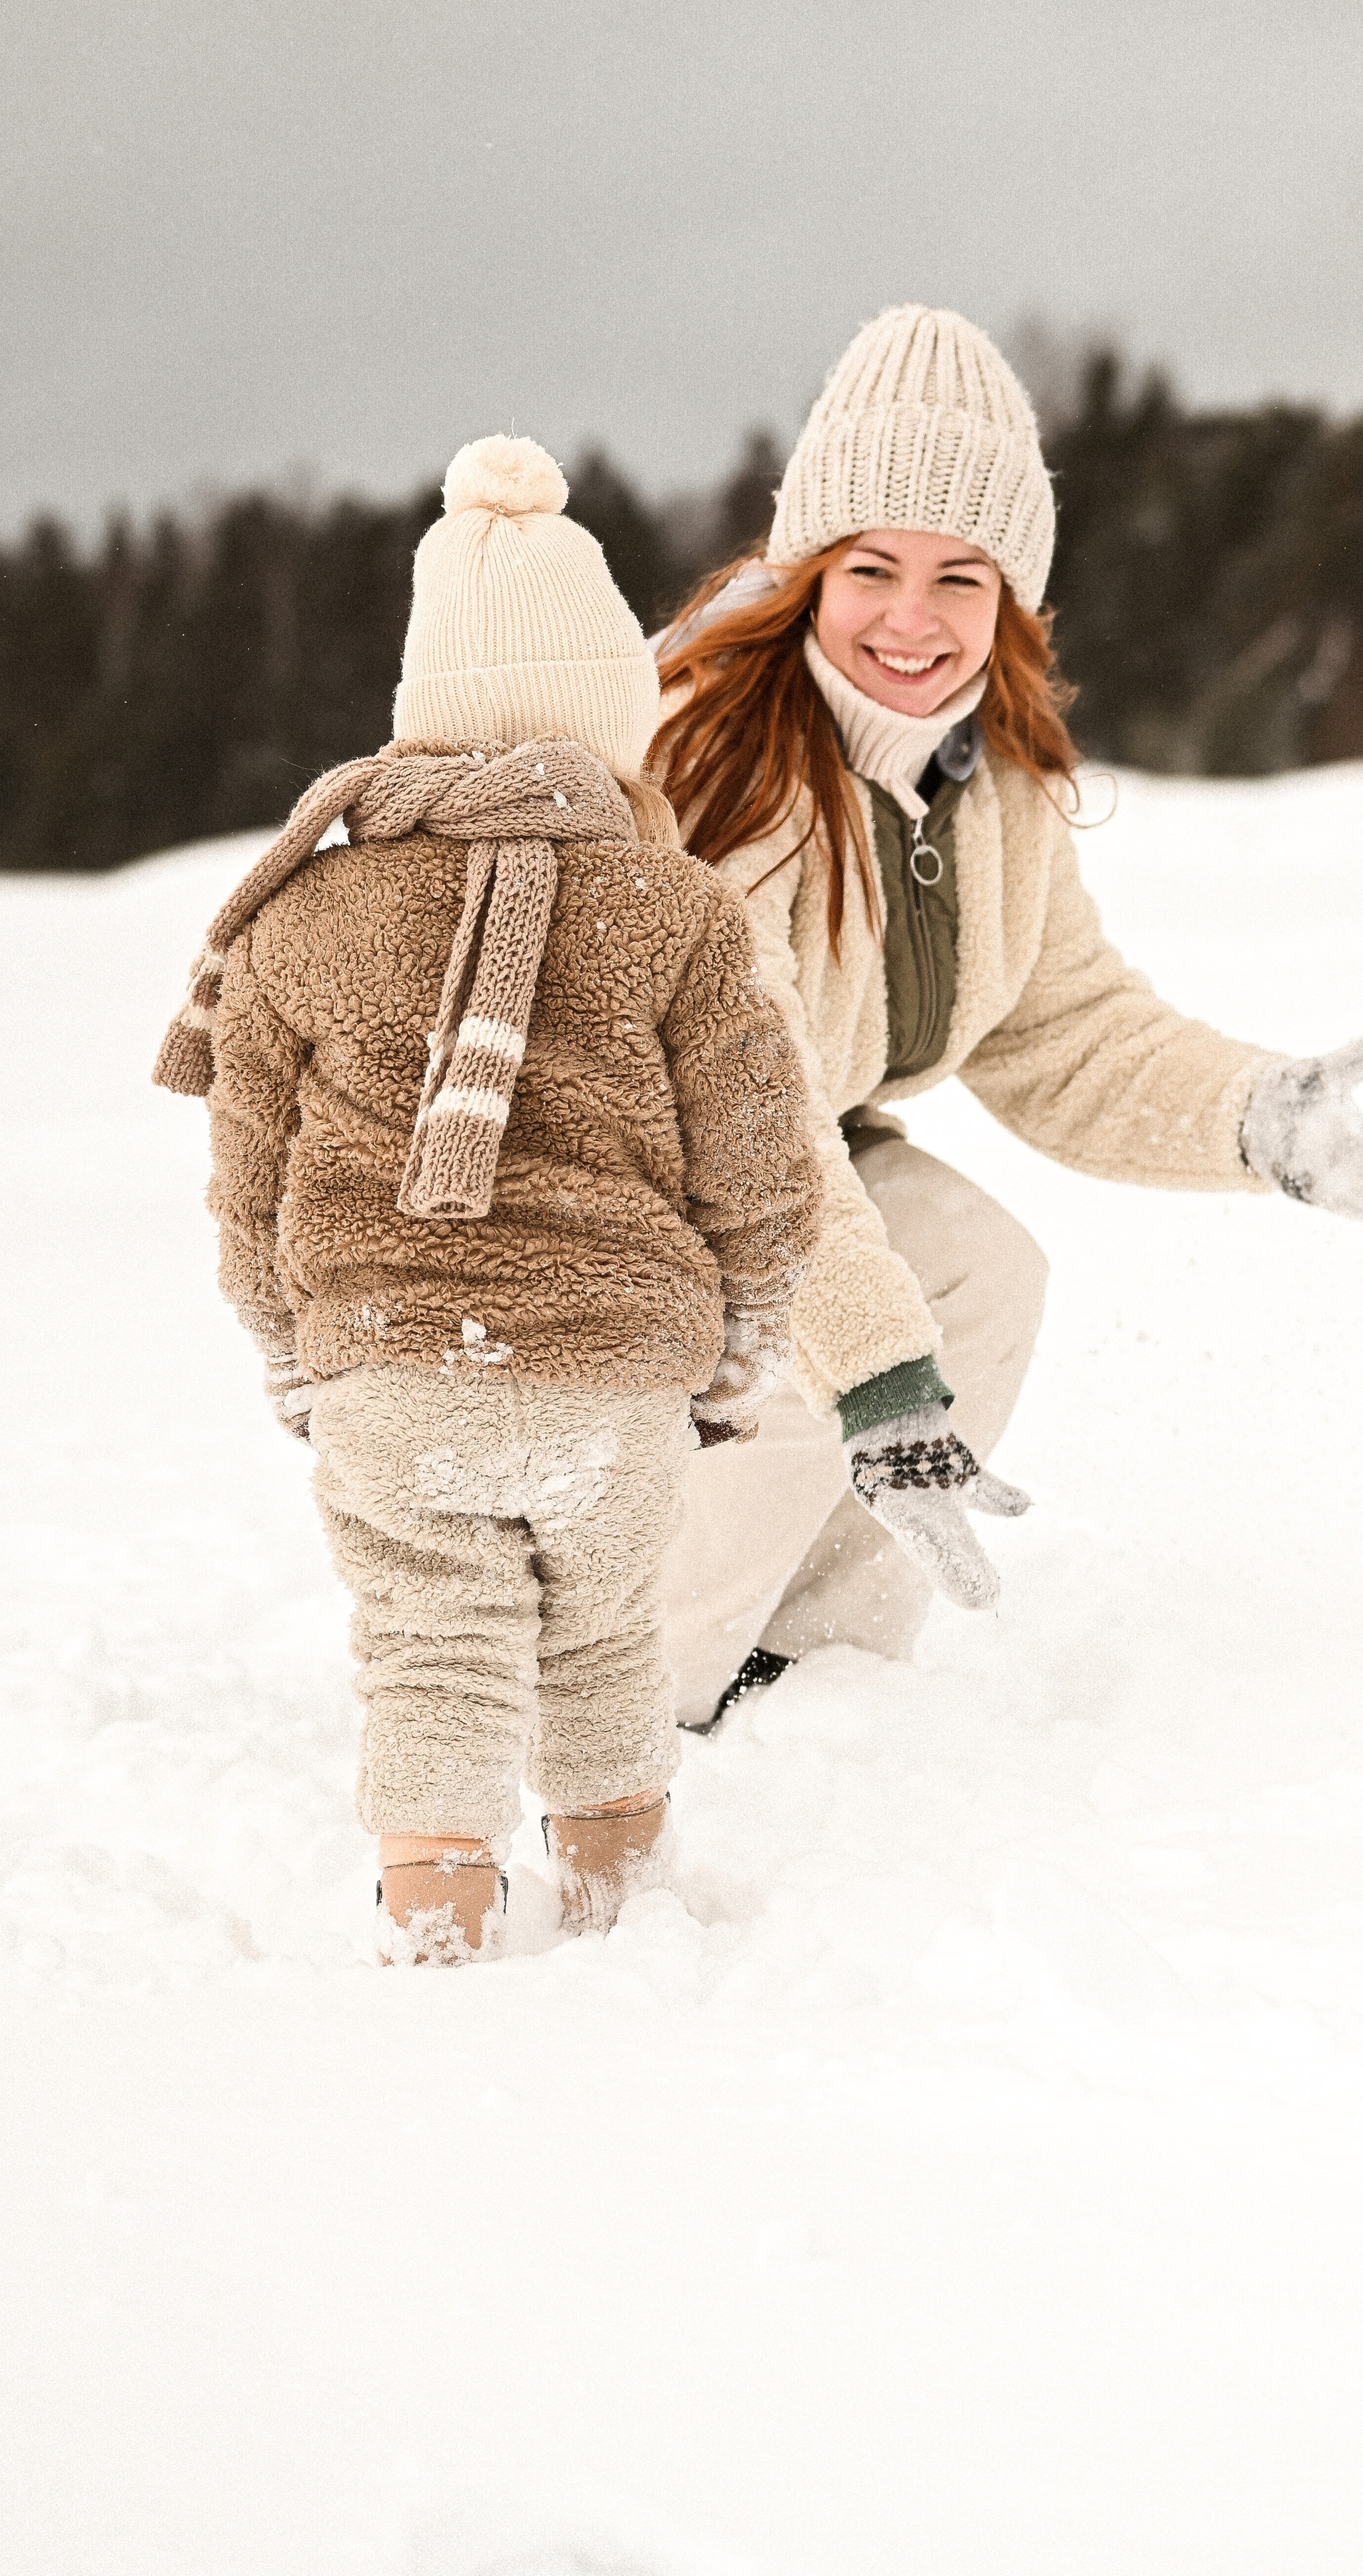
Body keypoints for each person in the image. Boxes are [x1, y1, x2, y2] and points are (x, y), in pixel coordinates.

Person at [651, 306, 1363, 1731]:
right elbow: (745, 1131)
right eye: (872, 566)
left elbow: (1062, 1032)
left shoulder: (988, 786)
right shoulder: (716, 765)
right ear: (804, 572)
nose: (914, 617)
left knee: (976, 1271)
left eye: (961, 575)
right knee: (797, 1348)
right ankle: (617, 1708)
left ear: (1011, 597)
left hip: (782, 1159)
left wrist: (1254, 1120)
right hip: (596, 1173)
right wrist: (876, 1368)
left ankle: (797, 1674)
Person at [154, 435, 819, 1960]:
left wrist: (285, 1347)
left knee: (430, 1646)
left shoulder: (303, 913)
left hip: (387, 1361)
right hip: (614, 1374)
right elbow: (758, 1162)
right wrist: (742, 1340)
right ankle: (614, 1917)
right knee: (600, 1642)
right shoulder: (675, 909)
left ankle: (437, 1932)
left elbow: (247, 1181)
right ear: (611, 720)